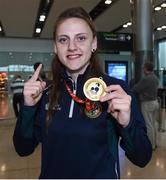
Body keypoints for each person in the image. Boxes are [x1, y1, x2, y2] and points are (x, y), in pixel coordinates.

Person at [13, 7, 152, 179]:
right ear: (55, 47)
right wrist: (28, 108)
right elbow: (23, 148)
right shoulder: (45, 91)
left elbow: (142, 158)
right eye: (63, 40)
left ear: (94, 43)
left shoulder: (115, 90)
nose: (72, 47)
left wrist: (127, 123)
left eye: (81, 38)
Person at [133, 62, 159, 150]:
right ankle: (155, 143)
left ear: (146, 69)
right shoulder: (155, 77)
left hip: (147, 103)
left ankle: (151, 145)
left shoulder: (146, 79)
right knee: (154, 123)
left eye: (144, 68)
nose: (143, 69)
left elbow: (136, 88)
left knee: (148, 124)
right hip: (155, 102)